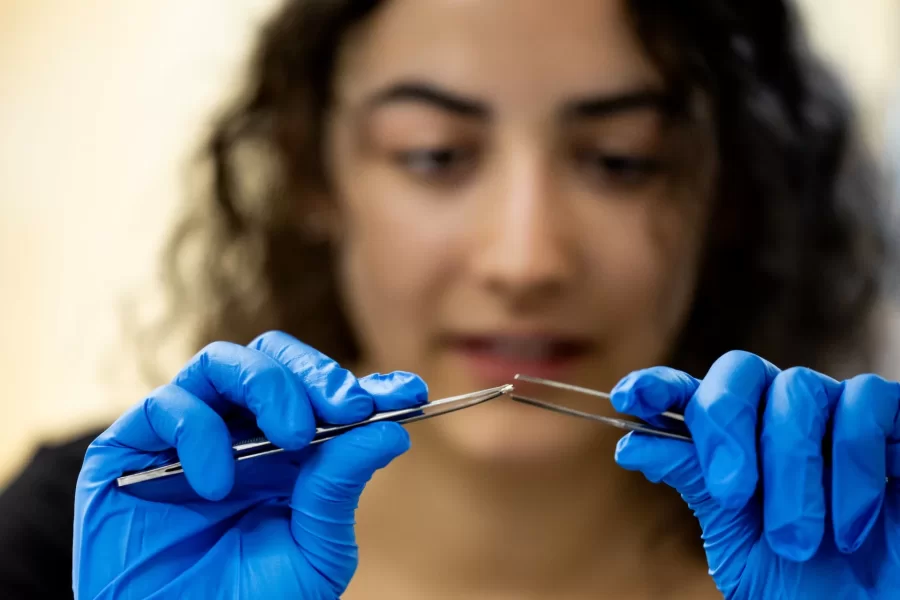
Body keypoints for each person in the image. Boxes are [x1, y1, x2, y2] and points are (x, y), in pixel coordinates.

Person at [0, 0, 896, 598]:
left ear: (729, 195)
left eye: (623, 161)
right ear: (313, 172)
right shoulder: (93, 537)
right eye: (434, 155)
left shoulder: (857, 550)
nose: (525, 259)